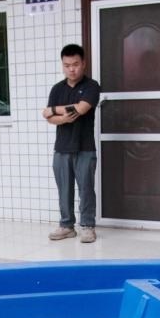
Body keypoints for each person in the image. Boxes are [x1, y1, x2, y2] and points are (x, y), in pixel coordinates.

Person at [43, 44, 101, 243]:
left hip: (85, 147)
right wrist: (63, 117)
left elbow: (82, 108)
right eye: (67, 65)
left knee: (86, 189)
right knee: (64, 190)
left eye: (75, 64)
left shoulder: (92, 86)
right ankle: (67, 226)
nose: (71, 69)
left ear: (83, 63)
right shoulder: (57, 89)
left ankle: (87, 226)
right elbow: (49, 118)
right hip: (61, 148)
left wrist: (53, 110)